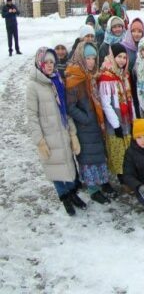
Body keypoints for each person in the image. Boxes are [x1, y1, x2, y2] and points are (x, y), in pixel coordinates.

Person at [27, 47, 86, 216]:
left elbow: (64, 109)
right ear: (40, 62)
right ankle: (64, 197)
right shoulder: (33, 86)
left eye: (52, 62)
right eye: (46, 62)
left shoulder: (57, 80)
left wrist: (72, 133)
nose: (50, 65)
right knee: (55, 169)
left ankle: (72, 194)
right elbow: (32, 115)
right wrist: (39, 141)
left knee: (67, 164)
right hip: (48, 136)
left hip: (62, 132)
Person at [65, 42, 114, 204]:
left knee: (99, 154)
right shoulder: (74, 78)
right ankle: (93, 189)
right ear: (80, 57)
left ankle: (102, 182)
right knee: (88, 158)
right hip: (85, 125)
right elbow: (70, 107)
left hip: (96, 122)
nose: (91, 62)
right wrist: (86, 118)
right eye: (88, 58)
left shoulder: (92, 75)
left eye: (94, 58)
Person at [98, 42, 135, 182]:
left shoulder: (123, 76)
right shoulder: (106, 78)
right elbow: (106, 104)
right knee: (118, 151)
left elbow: (129, 98)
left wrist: (134, 118)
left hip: (126, 119)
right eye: (119, 57)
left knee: (128, 149)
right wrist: (116, 125)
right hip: (116, 121)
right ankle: (122, 177)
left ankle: (130, 174)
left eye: (124, 57)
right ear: (112, 57)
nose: (122, 60)